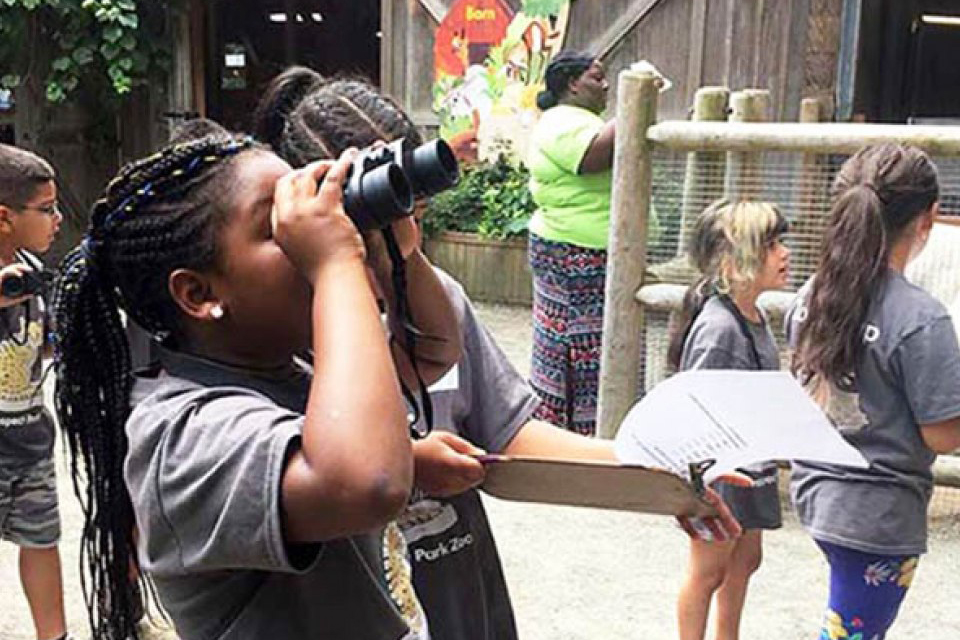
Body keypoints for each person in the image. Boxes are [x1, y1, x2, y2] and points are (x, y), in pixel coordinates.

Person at [256, 67, 744, 640]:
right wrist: (409, 464)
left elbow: (510, 435)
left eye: (412, 209)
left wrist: (662, 477)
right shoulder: (275, 332)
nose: (402, 232)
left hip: (460, 598)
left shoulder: (435, 301)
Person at [51, 131, 462, 639]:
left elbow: (431, 351)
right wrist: (335, 260)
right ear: (199, 293)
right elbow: (363, 484)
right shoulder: (179, 436)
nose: (307, 232)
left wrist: (388, 250)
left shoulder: (292, 364)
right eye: (277, 226)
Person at [787, 143, 960, 640]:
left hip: (817, 489)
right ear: (929, 218)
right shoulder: (920, 318)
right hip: (878, 513)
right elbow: (943, 436)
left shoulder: (810, 295)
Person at [666, 200, 790, 640]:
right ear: (733, 261)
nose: (784, 253)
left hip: (750, 465)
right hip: (721, 473)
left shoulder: (753, 315)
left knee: (745, 561)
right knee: (708, 572)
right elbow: (695, 406)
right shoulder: (719, 328)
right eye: (771, 245)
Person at [525, 50, 615, 435]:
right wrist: (637, 106)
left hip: (583, 252)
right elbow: (591, 157)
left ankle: (583, 430)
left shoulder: (581, 120)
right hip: (572, 255)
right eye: (597, 78)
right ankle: (571, 435)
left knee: (590, 343)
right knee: (576, 345)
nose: (606, 86)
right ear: (573, 84)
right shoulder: (561, 120)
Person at [0, 144, 68, 640]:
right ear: (5, 217)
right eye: (46, 210)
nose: (58, 220)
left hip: (31, 438)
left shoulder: (32, 271)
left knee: (42, 540)